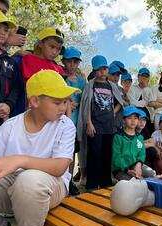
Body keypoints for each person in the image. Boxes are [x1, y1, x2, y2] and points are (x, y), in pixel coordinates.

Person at [0, 70, 79, 226]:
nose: (63, 107)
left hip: (51, 187)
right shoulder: (8, 128)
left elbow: (60, 167)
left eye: (66, 101)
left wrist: (20, 160)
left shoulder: (65, 125)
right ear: (35, 101)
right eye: (57, 102)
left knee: (28, 181)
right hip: (13, 189)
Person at [77, 55, 124, 189]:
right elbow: (86, 106)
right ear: (94, 70)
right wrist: (88, 123)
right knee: (94, 154)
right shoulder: (90, 85)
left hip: (109, 126)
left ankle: (105, 183)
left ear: (107, 69)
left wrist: (113, 112)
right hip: (95, 125)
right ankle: (92, 184)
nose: (102, 72)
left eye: (104, 69)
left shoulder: (112, 86)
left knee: (106, 154)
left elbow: (120, 102)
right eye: (99, 69)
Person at [0, 9, 20, 139]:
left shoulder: (11, 61)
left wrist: (8, 104)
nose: (3, 32)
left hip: (3, 117)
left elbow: (17, 87)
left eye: (6, 29)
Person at [61, 46, 86, 194]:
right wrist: (67, 101)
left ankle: (69, 180)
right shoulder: (59, 76)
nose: (72, 65)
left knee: (72, 151)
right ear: (64, 61)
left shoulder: (81, 81)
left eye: (75, 62)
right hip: (62, 118)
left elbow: (85, 98)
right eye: (70, 61)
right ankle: (61, 179)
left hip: (77, 121)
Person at [112, 105, 156, 181]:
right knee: (133, 182)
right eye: (129, 118)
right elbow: (116, 158)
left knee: (152, 174)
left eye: (135, 118)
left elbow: (141, 154)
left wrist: (138, 165)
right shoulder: (118, 137)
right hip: (121, 169)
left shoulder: (139, 137)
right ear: (123, 120)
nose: (133, 121)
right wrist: (127, 170)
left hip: (135, 165)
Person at [128, 67, 154, 138]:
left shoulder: (150, 89)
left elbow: (152, 103)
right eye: (142, 76)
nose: (144, 78)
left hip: (148, 118)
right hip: (136, 115)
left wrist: (146, 88)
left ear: (148, 79)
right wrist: (144, 103)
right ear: (138, 77)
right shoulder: (133, 88)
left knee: (147, 135)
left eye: (146, 77)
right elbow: (132, 102)